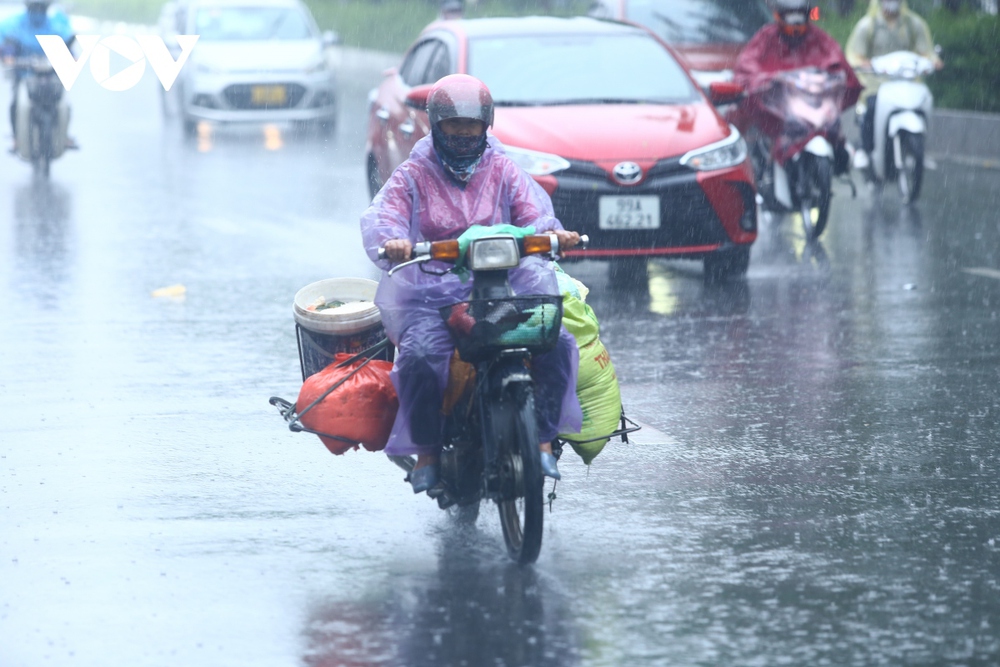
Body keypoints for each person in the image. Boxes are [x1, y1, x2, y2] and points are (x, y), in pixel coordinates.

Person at [361, 74, 583, 493]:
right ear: (436, 126)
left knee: (558, 342)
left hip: (507, 284)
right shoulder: (412, 175)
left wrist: (554, 234)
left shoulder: (502, 168)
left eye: (472, 126)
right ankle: (426, 450)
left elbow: (534, 212)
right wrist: (393, 242)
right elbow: (383, 217)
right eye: (453, 126)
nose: (463, 135)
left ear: (486, 126)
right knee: (422, 356)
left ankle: (544, 441)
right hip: (433, 292)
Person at [732, 0, 862, 174]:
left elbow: (837, 60)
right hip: (779, 109)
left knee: (833, 130)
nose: (795, 26)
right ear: (779, 16)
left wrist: (834, 76)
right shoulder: (766, 38)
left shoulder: (819, 38)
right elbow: (748, 65)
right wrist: (766, 80)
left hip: (813, 103)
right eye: (790, 18)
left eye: (799, 18)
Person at [845, 0, 942, 169]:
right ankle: (865, 149)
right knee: (872, 107)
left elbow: (926, 51)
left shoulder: (914, 24)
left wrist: (933, 61)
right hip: (876, 83)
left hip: (907, 82)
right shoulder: (867, 26)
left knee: (922, 105)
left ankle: (917, 151)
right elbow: (854, 55)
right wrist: (866, 64)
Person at [0, 0, 75, 151]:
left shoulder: (55, 25)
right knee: (16, 102)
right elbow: (8, 45)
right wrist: (9, 56)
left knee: (63, 103)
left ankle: (63, 135)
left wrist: (72, 56)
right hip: (23, 74)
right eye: (36, 8)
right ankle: (17, 138)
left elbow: (67, 45)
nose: (38, 11)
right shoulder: (15, 25)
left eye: (41, 8)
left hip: (50, 74)